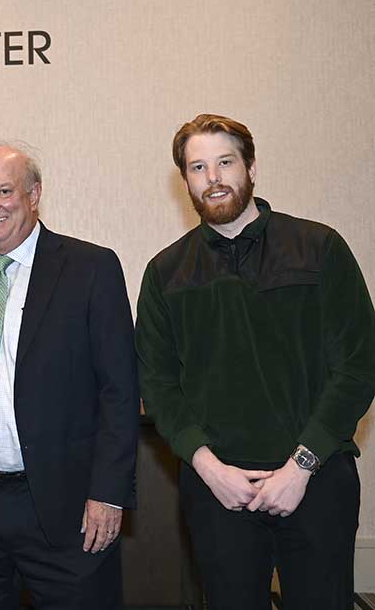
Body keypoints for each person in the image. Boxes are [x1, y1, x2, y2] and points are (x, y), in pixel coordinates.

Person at [136, 113, 375, 609]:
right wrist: (209, 467)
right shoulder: (165, 273)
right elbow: (158, 387)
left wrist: (301, 466)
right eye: (198, 167)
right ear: (185, 180)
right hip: (218, 491)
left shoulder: (319, 246)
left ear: (250, 168)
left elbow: (359, 364)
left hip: (316, 481)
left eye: (225, 162)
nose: (214, 178)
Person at [0, 143, 139, 609]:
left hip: (64, 505)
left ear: (34, 194)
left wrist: (109, 492)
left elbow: (119, 393)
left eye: (4, 191)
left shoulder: (90, 268)